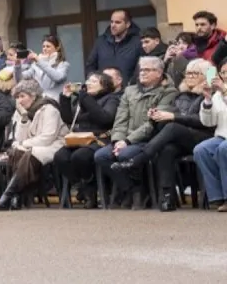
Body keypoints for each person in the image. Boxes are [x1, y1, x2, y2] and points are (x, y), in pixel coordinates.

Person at [110, 59, 213, 212]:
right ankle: (166, 198)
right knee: (166, 150)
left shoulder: (211, 94)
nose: (190, 76)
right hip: (181, 138)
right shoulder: (181, 95)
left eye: (195, 73)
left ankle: (139, 159)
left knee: (172, 126)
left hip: (204, 137)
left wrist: (173, 117)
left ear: (205, 76)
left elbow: (205, 122)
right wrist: (156, 116)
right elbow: (168, 119)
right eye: (188, 73)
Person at [92, 56, 177, 209]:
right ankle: (132, 190)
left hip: (150, 139)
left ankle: (139, 191)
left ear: (159, 73)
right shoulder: (130, 91)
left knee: (125, 154)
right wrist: (117, 140)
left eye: (147, 70)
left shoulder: (168, 92)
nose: (142, 73)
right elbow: (120, 119)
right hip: (125, 140)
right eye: (141, 69)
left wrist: (127, 141)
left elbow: (152, 123)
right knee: (101, 155)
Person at [0, 80, 66, 211]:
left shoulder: (49, 109)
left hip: (54, 144)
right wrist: (23, 118)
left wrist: (23, 144)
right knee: (16, 152)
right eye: (17, 97)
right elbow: (20, 138)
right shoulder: (22, 111)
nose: (19, 100)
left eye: (22, 96)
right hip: (33, 145)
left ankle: (9, 195)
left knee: (28, 153)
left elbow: (48, 137)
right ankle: (15, 196)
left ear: (33, 96)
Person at [54, 72, 120, 209]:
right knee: (60, 156)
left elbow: (105, 118)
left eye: (94, 81)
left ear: (104, 85)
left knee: (81, 156)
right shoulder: (82, 100)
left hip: (99, 139)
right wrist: (65, 99)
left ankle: (90, 191)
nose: (88, 83)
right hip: (79, 139)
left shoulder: (111, 99)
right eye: (88, 80)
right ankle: (82, 186)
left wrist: (85, 98)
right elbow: (69, 119)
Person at [193, 63, 227, 212]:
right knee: (201, 149)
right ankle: (217, 196)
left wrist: (225, 91)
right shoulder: (218, 95)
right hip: (222, 135)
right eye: (223, 72)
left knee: (223, 149)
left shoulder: (223, 92)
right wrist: (207, 100)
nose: (224, 76)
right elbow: (208, 122)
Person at [85, 10, 142, 83]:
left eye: (117, 22)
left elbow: (141, 68)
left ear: (127, 24)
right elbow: (90, 65)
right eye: (112, 22)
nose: (113, 25)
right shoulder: (101, 41)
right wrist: (95, 81)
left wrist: (131, 84)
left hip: (127, 91)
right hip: (104, 91)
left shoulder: (138, 42)